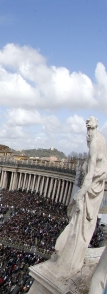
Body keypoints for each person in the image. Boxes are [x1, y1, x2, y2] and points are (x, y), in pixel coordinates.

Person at [49, 117, 107, 276]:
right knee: (81, 226)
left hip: (90, 189)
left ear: (93, 128)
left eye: (89, 129)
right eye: (87, 129)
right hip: (96, 187)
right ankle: (72, 257)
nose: (87, 133)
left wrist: (79, 195)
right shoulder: (101, 138)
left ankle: (71, 260)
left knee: (78, 225)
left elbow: (90, 175)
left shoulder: (95, 143)